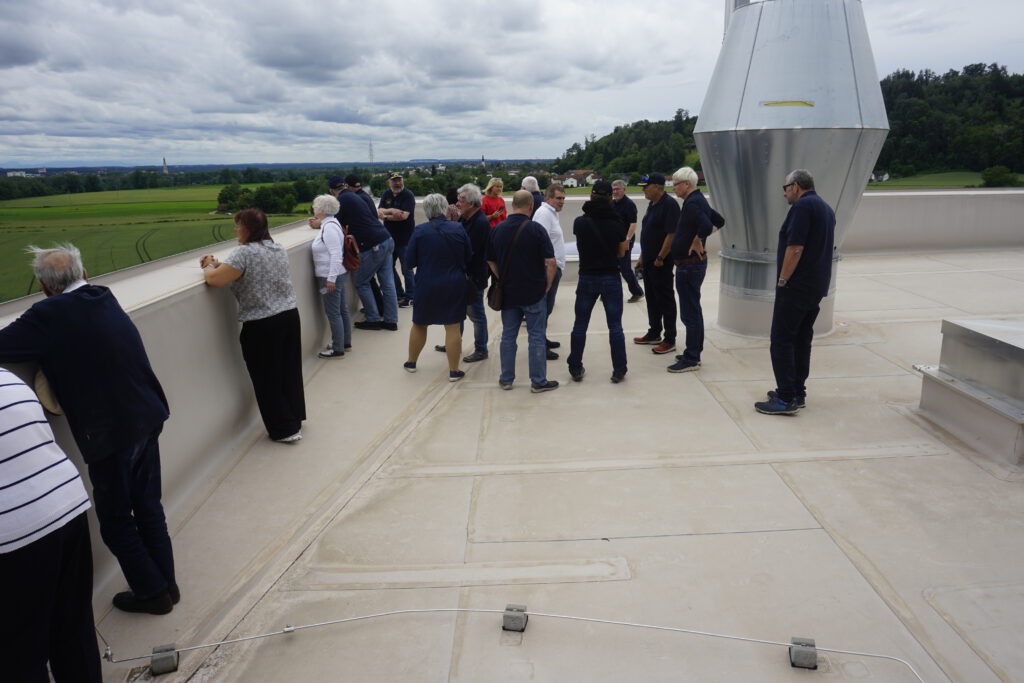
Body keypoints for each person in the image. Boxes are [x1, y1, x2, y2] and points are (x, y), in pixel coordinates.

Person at [0, 243, 177, 615]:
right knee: (147, 506)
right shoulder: (104, 297)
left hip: (110, 432)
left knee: (114, 521)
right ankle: (168, 585)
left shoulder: (46, 315)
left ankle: (153, 594)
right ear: (83, 274)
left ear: (45, 287)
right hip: (147, 413)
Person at [0, 369, 101, 681]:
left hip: (15, 531)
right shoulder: (6, 376)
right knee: (73, 627)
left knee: (18, 654)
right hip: (67, 504)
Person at [201, 209, 306, 442]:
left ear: (247, 229)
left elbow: (215, 280)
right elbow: (245, 269)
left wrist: (208, 265)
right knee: (288, 371)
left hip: (262, 324)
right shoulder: (276, 248)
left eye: (238, 226)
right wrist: (221, 264)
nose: (235, 230)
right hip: (289, 316)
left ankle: (284, 429)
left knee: (266, 377)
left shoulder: (243, 253)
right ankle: (294, 417)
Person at [755, 169, 836, 415]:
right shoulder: (825, 208)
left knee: (781, 340)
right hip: (816, 286)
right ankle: (797, 391)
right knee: (802, 339)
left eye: (785, 188)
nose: (784, 193)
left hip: (796, 287)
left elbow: (796, 247)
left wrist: (783, 279)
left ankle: (786, 397)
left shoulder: (801, 208)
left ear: (796, 186)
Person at [487, 190, 558, 393]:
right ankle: (538, 381)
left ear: (512, 205)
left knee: (508, 335)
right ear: (531, 206)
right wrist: (547, 284)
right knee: (536, 336)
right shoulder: (535, 229)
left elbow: (490, 259)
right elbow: (551, 262)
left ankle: (506, 378)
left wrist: (501, 276)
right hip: (533, 291)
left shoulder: (497, 229)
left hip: (508, 291)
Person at [403, 194, 472, 382]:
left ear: (427, 211)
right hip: (454, 283)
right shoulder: (458, 228)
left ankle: (411, 362)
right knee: (452, 326)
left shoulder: (420, 231)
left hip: (426, 283)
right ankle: (453, 371)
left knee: (419, 323)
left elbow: (409, 262)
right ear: (444, 208)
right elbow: (468, 257)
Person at [566, 181, 629, 384]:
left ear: (591, 198)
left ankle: (575, 367)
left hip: (587, 277)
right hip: (610, 277)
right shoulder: (618, 223)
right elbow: (621, 252)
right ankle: (619, 369)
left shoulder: (580, 223)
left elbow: (581, 246)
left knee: (580, 324)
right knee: (615, 326)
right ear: (610, 199)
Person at [666, 167, 720, 373]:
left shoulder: (693, 203)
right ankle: (693, 351)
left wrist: (698, 239)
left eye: (676, 184)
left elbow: (707, 226)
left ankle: (692, 357)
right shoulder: (697, 200)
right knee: (692, 311)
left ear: (686, 184)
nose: (674, 189)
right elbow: (719, 221)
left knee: (690, 313)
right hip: (690, 265)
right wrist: (699, 237)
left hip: (690, 266)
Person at [330, 176, 398, 331]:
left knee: (361, 282)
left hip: (373, 244)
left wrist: (318, 223)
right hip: (386, 238)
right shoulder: (355, 196)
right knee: (387, 283)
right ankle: (390, 321)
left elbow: (335, 222)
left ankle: (373, 319)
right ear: (345, 186)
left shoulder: (342, 200)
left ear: (332, 191)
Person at [633, 172, 680, 355]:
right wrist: (643, 257)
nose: (643, 190)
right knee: (652, 298)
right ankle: (654, 332)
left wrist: (660, 257)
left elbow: (671, 234)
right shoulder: (652, 205)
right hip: (650, 260)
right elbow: (649, 234)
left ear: (657, 187)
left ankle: (670, 339)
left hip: (661, 262)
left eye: (646, 187)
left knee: (665, 299)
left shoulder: (669, 205)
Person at [309, 193, 351, 359]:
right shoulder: (331, 224)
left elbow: (335, 254)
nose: (314, 209)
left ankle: (337, 348)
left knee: (333, 313)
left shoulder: (330, 227)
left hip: (330, 276)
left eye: (315, 207)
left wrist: (330, 279)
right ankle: (344, 343)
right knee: (341, 310)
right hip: (336, 274)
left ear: (321, 210)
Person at [532, 183, 567, 359]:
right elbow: (538, 242)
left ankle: (543, 340)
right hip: (548, 270)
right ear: (548, 198)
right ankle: (541, 347)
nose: (562, 202)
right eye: (558, 198)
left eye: (563, 198)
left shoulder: (551, 213)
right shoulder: (544, 214)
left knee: (548, 308)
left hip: (554, 268)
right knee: (543, 309)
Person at [378, 172, 417, 308]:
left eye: (399, 180)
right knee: (388, 267)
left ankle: (411, 296)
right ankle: (399, 293)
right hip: (389, 239)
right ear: (389, 182)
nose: (397, 183)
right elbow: (379, 211)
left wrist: (386, 216)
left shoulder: (408, 195)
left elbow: (404, 216)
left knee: (407, 269)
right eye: (394, 181)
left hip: (405, 239)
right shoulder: (386, 194)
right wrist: (393, 210)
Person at [611, 179, 644, 303]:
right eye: (613, 189)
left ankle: (637, 292)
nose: (615, 191)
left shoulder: (629, 204)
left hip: (625, 239)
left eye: (618, 189)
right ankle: (611, 292)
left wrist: (627, 240)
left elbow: (633, 224)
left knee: (624, 268)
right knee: (613, 267)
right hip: (614, 240)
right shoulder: (612, 204)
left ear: (624, 190)